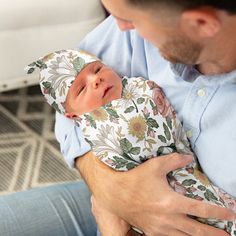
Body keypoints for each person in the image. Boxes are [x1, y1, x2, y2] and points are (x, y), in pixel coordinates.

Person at [0, 1, 236, 236]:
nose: (119, 26)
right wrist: (109, 188)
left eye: (131, 19)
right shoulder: (142, 17)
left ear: (201, 24)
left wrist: (112, 229)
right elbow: (65, 99)